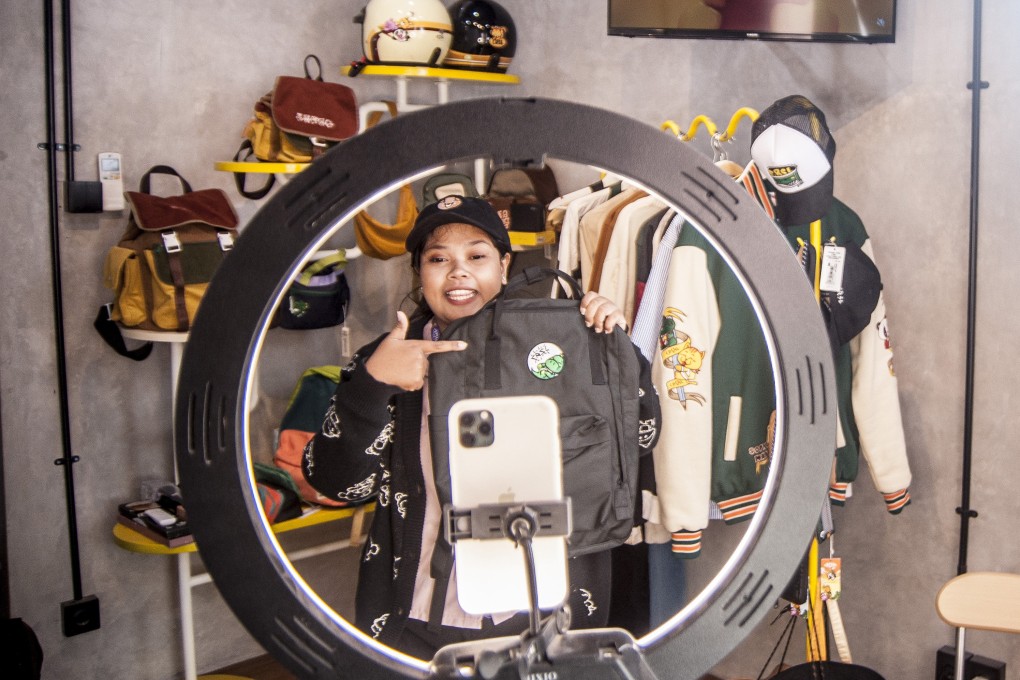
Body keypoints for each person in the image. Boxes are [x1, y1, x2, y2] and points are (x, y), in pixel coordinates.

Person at [302, 195, 660, 657]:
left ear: (504, 266)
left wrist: (617, 353)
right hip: (416, 616)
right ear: (419, 272)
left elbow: (642, 437)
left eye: (477, 255)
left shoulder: (558, 347)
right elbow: (335, 483)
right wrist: (372, 387)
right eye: (438, 259)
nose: (458, 271)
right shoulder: (389, 358)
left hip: (545, 612)